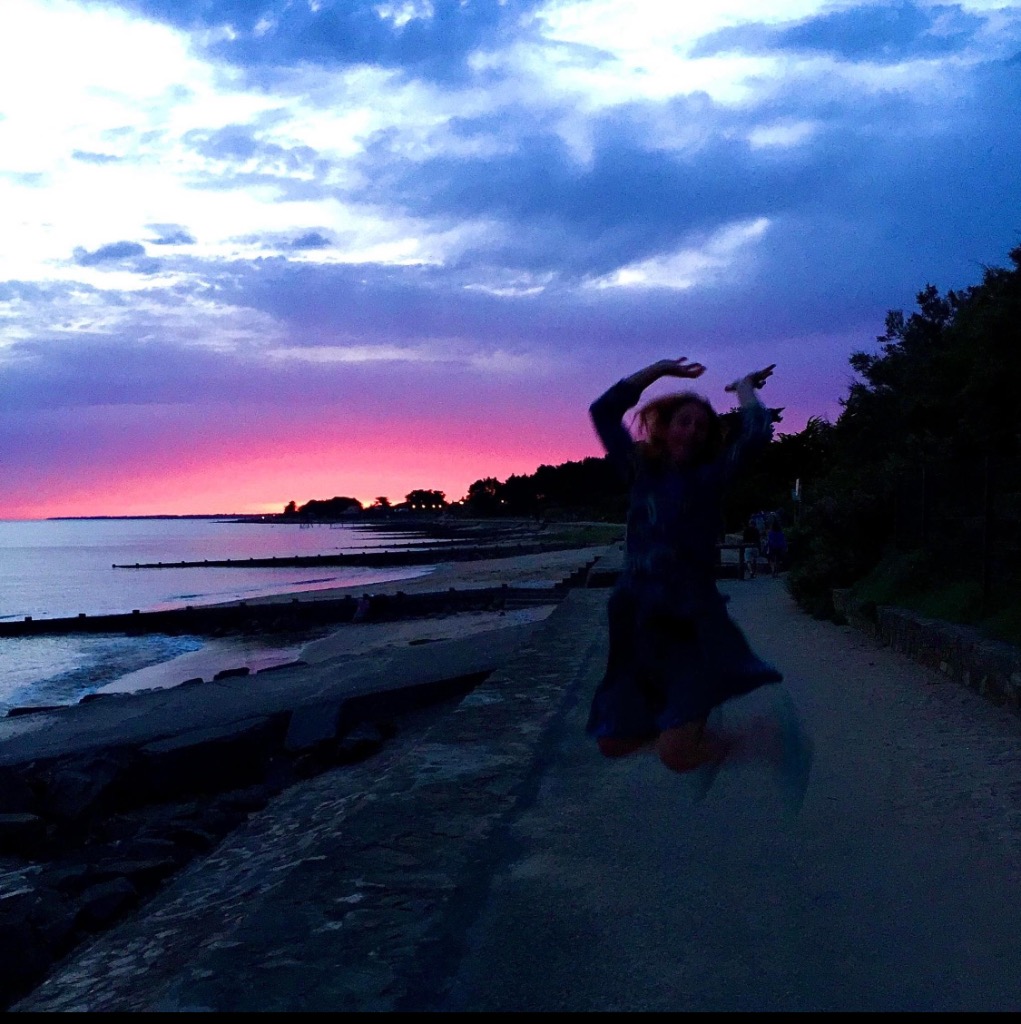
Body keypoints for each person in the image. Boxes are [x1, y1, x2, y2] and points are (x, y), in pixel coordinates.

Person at [587, 357, 784, 774]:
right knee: (612, 742)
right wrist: (657, 370)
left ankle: (764, 739)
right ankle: (696, 740)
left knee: (676, 756)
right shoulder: (639, 469)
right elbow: (602, 411)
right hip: (636, 621)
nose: (692, 431)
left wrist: (745, 388)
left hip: (689, 624)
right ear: (664, 426)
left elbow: (755, 435)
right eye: (684, 421)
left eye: (701, 426)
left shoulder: (711, 478)